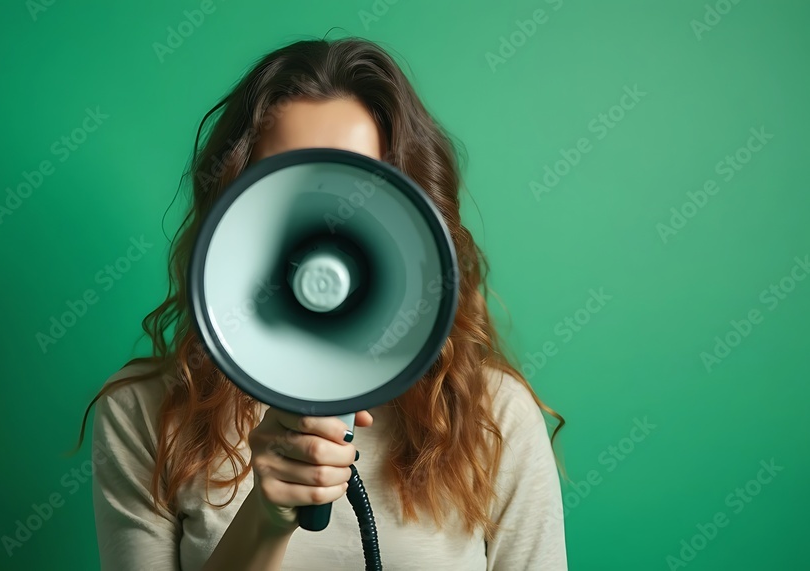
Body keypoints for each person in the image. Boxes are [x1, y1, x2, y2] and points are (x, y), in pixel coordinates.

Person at [74, 37, 567, 571]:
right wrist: (266, 519)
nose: (328, 208)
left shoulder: (493, 419)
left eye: (357, 182)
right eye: (289, 179)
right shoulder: (145, 415)